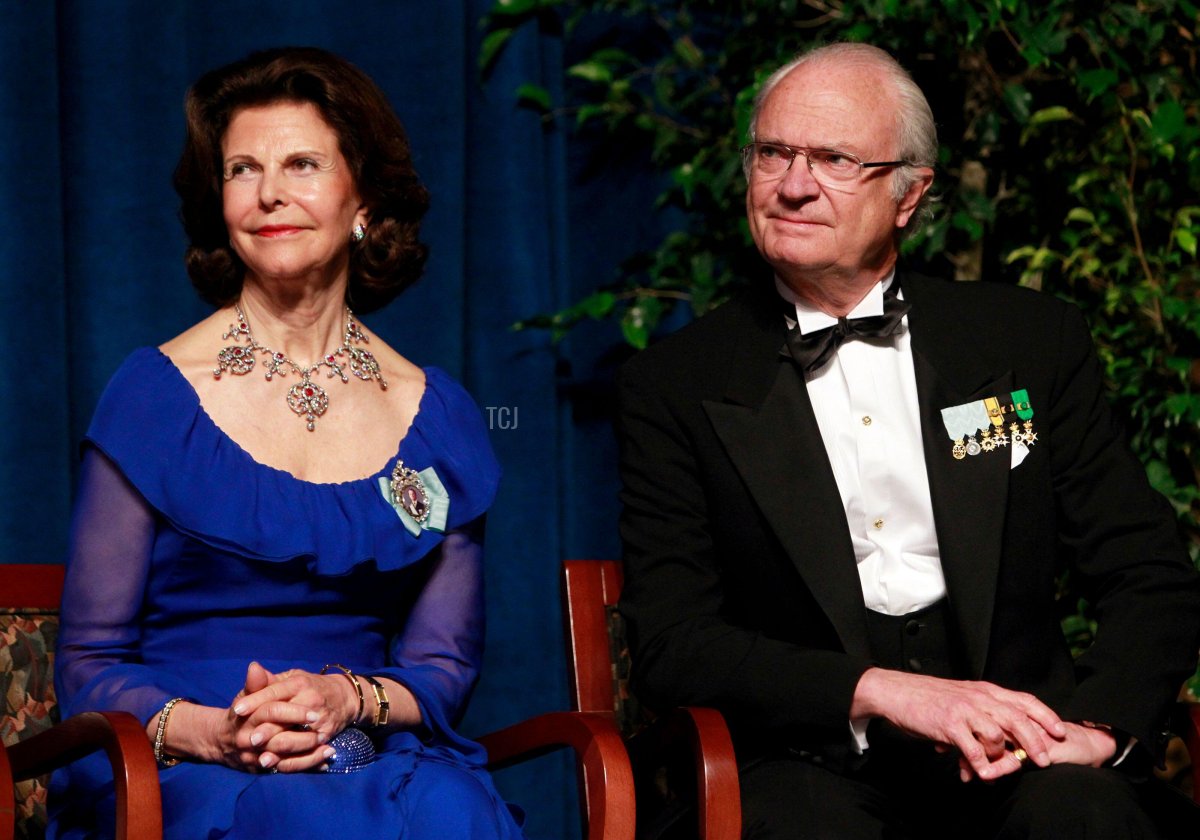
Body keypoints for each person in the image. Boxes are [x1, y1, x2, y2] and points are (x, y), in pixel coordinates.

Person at [615, 42, 1200, 839]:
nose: (793, 184)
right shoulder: (676, 383)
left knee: (1082, 818)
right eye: (773, 153)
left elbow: (1147, 571)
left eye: (833, 158)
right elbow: (675, 642)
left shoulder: (1027, 343)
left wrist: (1093, 730)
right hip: (808, 764)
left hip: (1022, 759)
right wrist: (877, 689)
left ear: (909, 195)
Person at [51, 47, 524, 839]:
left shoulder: (438, 418)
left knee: (451, 811)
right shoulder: (153, 396)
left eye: (302, 163)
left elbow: (443, 669)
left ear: (364, 196)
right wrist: (215, 732)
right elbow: (88, 662)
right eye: (241, 169)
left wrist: (347, 698)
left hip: (364, 754)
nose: (269, 193)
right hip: (181, 769)